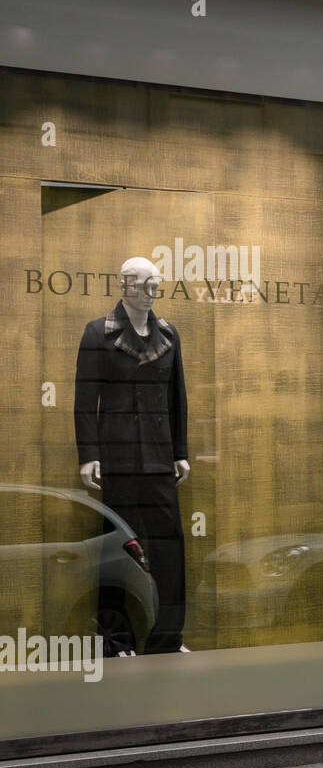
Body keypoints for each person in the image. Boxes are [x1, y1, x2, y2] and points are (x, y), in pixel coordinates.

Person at [75, 257, 191, 655]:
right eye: (144, 284)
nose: (153, 291)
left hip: (159, 460)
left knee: (170, 549)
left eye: (156, 284)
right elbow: (85, 400)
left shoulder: (168, 334)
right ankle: (114, 639)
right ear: (125, 284)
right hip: (118, 459)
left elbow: (178, 399)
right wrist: (89, 454)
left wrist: (180, 451)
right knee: (114, 549)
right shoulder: (98, 333)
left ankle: (168, 638)